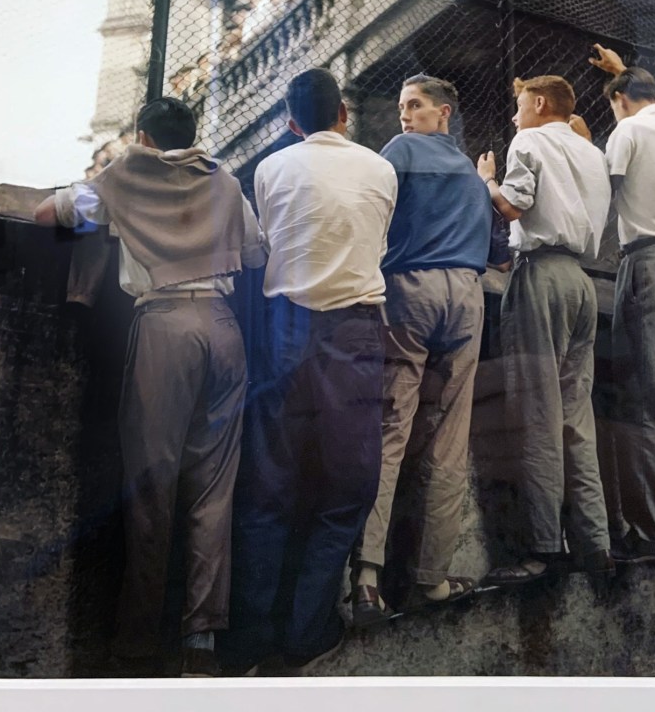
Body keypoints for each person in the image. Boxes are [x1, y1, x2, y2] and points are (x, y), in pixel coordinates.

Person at [33, 97, 265, 677]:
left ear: (142, 135)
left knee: (150, 484)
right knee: (214, 491)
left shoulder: (124, 175)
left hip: (164, 326)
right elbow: (257, 251)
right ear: (193, 134)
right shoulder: (225, 182)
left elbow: (45, 214)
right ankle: (201, 642)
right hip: (223, 326)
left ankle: (137, 640)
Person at [232, 68, 397, 674]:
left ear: (292, 122)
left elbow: (268, 242)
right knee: (348, 486)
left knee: (267, 486)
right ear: (344, 114)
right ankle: (307, 630)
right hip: (353, 333)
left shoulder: (271, 168)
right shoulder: (381, 168)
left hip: (283, 329)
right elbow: (375, 241)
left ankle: (249, 635)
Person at [352, 75, 494, 625]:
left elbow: (373, 217)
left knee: (391, 429)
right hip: (468, 295)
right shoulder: (473, 177)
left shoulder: (401, 151)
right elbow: (498, 248)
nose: (405, 115)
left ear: (444, 113)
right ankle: (431, 578)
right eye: (402, 106)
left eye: (414, 105)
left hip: (411, 289)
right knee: (450, 437)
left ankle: (366, 577)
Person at [476, 75, 614, 583]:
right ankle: (595, 543)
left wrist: (486, 179)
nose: (513, 118)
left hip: (541, 277)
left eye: (517, 107)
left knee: (537, 413)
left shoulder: (530, 139)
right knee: (577, 417)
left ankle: (542, 548)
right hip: (582, 284)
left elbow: (512, 206)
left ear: (538, 103)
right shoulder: (590, 152)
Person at [589, 46, 655, 563]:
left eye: (613, 103)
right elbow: (643, 98)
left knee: (648, 401)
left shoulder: (627, 131)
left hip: (646, 263)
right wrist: (623, 74)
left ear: (618, 102)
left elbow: (600, 191)